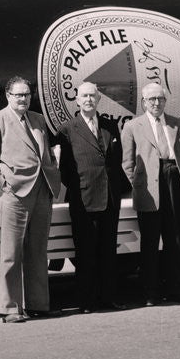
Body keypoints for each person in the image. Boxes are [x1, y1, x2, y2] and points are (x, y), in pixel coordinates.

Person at [0, 76, 61, 323]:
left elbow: (46, 154)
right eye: (18, 95)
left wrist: (52, 173)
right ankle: (10, 308)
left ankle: (38, 304)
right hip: (14, 194)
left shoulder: (38, 119)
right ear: (8, 96)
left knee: (38, 251)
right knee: (11, 252)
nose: (23, 99)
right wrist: (5, 185)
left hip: (41, 191)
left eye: (26, 94)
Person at [121, 81, 180, 306]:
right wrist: (139, 185)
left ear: (165, 101)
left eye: (160, 99)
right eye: (152, 99)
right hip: (149, 188)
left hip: (173, 180)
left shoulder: (177, 124)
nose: (157, 103)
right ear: (144, 102)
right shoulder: (132, 126)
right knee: (150, 241)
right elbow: (127, 162)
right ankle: (150, 293)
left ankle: (178, 289)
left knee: (176, 238)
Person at [56, 82, 128, 312]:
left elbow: (117, 161)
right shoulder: (67, 129)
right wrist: (80, 187)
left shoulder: (109, 126)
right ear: (77, 100)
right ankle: (86, 301)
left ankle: (108, 297)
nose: (88, 99)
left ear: (98, 100)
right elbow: (64, 169)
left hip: (109, 199)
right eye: (84, 96)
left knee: (108, 251)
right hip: (83, 199)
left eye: (92, 96)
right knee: (85, 253)